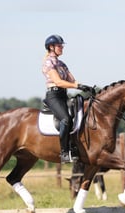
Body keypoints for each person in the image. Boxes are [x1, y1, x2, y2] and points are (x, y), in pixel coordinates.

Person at [42, 34, 92, 164]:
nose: (62, 47)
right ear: (51, 47)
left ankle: (76, 147)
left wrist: (85, 87)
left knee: (80, 113)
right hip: (53, 96)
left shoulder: (62, 64)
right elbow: (58, 82)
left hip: (64, 95)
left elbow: (72, 80)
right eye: (59, 45)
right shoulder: (49, 62)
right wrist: (77, 86)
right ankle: (64, 152)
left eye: (61, 45)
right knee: (65, 119)